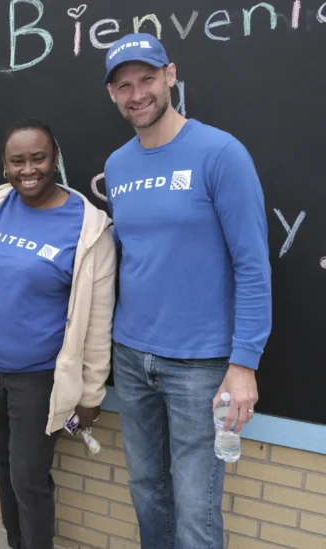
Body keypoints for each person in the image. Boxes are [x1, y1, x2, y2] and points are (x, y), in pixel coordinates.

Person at [101, 33, 272, 548]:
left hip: (201, 365)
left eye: (147, 79)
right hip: (130, 355)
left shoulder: (220, 153)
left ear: (170, 76)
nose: (137, 94)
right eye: (124, 85)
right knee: (146, 489)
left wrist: (244, 365)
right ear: (112, 94)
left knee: (197, 507)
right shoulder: (117, 166)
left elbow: (254, 266)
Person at [0, 119, 117, 549]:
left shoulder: (88, 228)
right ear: (4, 166)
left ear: (55, 158)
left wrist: (91, 396)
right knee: (5, 469)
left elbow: (98, 321)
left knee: (29, 479)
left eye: (38, 158)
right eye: (17, 161)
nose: (29, 169)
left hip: (39, 379)